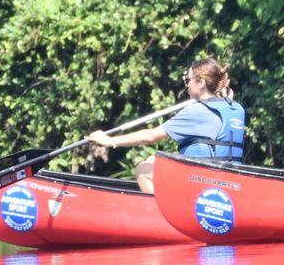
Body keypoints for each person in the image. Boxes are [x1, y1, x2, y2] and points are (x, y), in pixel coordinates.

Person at [87, 57, 246, 194]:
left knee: (143, 169)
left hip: (203, 179)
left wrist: (109, 141)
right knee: (152, 159)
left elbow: (150, 137)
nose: (187, 85)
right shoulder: (236, 108)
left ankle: (163, 219)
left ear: (202, 83)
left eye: (188, 80)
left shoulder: (196, 111)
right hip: (230, 179)